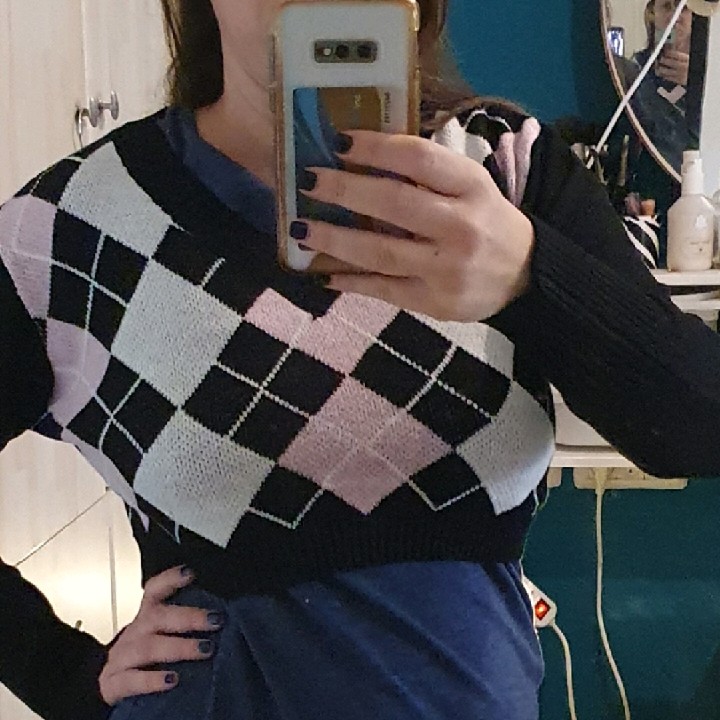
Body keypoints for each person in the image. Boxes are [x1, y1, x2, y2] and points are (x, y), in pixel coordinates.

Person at [1, 0, 720, 719]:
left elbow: (699, 427)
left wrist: (531, 275)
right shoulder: (73, 230)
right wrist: (68, 679)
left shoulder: (505, 176)